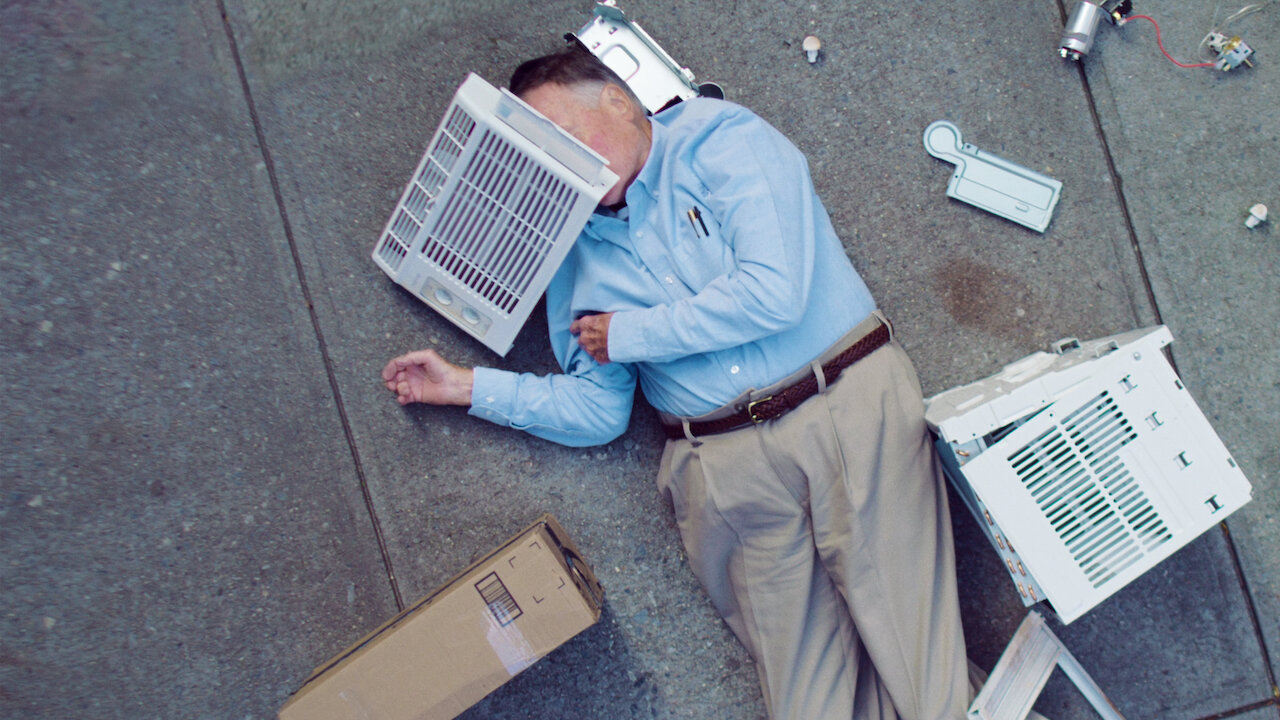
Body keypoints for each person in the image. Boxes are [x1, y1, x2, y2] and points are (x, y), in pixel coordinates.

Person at [382, 46, 971, 720]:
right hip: (720, 467)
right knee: (811, 706)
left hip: (839, 407)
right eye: (546, 158)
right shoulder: (573, 251)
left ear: (617, 99)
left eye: (569, 140)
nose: (568, 170)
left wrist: (630, 333)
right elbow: (598, 409)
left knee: (929, 686)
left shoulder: (721, 140)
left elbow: (773, 293)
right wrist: (465, 388)